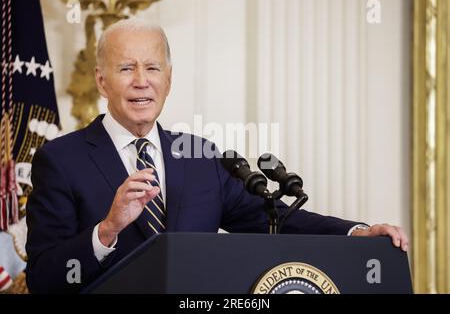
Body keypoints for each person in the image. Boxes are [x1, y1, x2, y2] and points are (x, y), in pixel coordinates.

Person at [25, 19, 408, 294]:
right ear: (101, 80)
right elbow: (43, 277)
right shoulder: (60, 160)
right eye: (126, 68)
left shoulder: (198, 155)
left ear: (169, 80)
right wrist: (107, 230)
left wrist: (357, 232)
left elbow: (271, 217)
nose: (141, 80)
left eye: (153, 68)